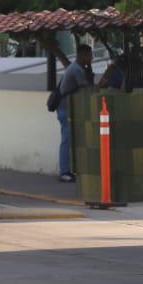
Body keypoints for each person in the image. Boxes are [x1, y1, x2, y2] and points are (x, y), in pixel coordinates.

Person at [53, 44, 94, 183]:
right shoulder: (76, 70)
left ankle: (68, 170)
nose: (92, 58)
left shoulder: (77, 68)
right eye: (89, 55)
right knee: (66, 139)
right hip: (66, 109)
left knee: (69, 140)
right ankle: (64, 171)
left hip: (67, 108)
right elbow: (88, 90)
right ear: (82, 55)